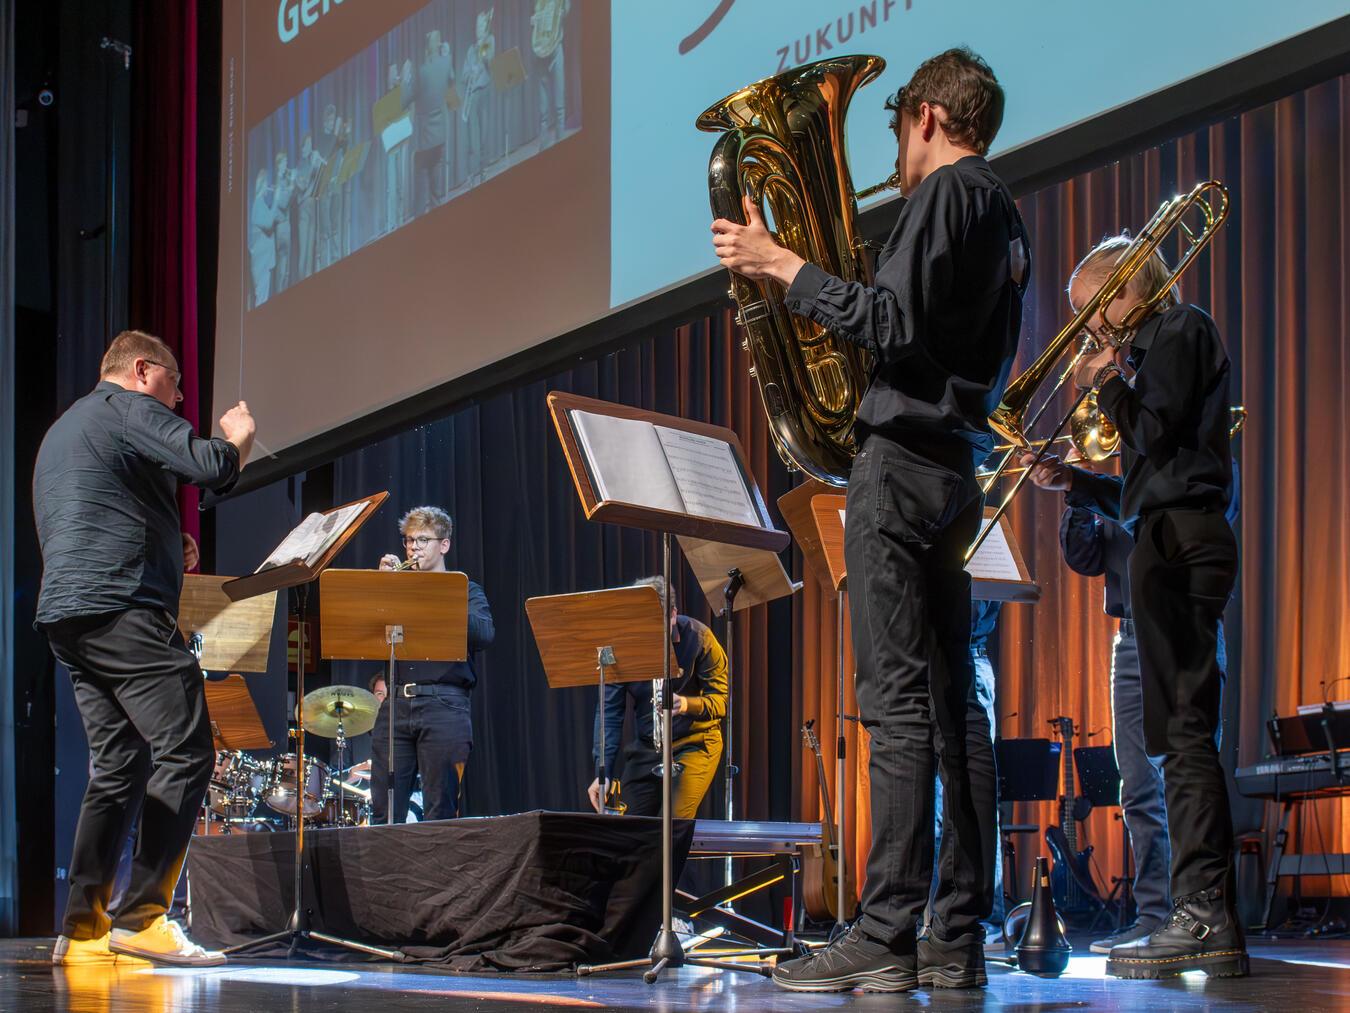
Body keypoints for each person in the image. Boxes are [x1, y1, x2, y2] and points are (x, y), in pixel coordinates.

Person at [714, 48, 1028, 991]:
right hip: (954, 472)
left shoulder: (947, 193)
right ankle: (956, 934)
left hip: (900, 469)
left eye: (894, 125)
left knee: (895, 706)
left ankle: (886, 930)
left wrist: (779, 264)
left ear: (926, 115)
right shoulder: (1003, 211)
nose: (893, 149)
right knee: (955, 706)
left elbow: (890, 324)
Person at [1023, 234, 1245, 979]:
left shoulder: (1180, 329)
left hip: (1182, 544)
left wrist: (1109, 377)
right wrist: (1076, 482)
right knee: (1171, 741)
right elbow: (1147, 483)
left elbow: (1151, 431)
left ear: (1125, 289)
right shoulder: (1152, 353)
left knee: (1184, 736)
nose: (1086, 329)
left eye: (1090, 310)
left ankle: (1205, 913)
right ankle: (1196, 912)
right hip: (1163, 537)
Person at [34, 330, 255, 966]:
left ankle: (83, 930)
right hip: (122, 607)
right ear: (140, 370)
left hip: (70, 615)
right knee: (188, 748)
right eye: (174, 382)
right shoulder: (129, 406)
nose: (179, 397)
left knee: (119, 765)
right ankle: (143, 917)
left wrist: (164, 542)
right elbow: (211, 467)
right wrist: (236, 439)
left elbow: (92, 511)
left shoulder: (66, 429)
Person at [372, 506, 493, 822]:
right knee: (384, 811)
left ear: (444, 544)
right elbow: (365, 629)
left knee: (440, 810)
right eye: (409, 540)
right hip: (396, 704)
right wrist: (382, 587)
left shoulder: (465, 589)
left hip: (445, 704)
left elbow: (484, 634)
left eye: (423, 540)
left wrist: (432, 593)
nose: (414, 548)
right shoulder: (397, 590)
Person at [586, 577, 726, 819]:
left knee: (672, 823)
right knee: (630, 828)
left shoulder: (699, 638)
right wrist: (603, 772)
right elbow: (609, 712)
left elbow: (721, 703)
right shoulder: (622, 646)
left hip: (694, 743)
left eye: (654, 624)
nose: (646, 633)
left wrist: (685, 704)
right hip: (648, 748)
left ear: (673, 615)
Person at [402, 31, 453, 214]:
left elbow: (404, 100)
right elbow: (451, 80)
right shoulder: (446, 62)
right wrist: (446, 55)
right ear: (439, 45)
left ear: (426, 49)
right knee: (435, 192)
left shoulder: (421, 72)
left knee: (419, 194)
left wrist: (405, 78)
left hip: (424, 142)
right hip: (440, 137)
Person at [460, 9, 495, 187]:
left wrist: (483, 47)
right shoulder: (470, 50)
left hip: (484, 91)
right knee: (471, 137)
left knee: (484, 134)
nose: (478, 29)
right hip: (472, 95)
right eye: (476, 26)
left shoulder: (490, 40)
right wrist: (470, 74)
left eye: (481, 25)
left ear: (486, 27)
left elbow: (489, 60)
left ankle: (483, 170)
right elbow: (463, 75)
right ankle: (471, 174)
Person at [531, 0, 569, 146]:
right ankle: (544, 144)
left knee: (559, 104)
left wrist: (561, 10)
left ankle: (561, 141)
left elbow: (565, 10)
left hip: (555, 50)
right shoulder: (539, 2)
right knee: (543, 108)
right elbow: (536, 18)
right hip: (541, 53)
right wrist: (534, 20)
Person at [294, 132, 323, 280]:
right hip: (304, 210)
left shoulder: (313, 160)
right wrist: (313, 165)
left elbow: (320, 179)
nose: (310, 147)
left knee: (311, 249)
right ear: (302, 147)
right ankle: (301, 281)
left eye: (311, 144)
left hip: (313, 207)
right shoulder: (300, 165)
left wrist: (320, 163)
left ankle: (309, 279)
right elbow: (303, 185)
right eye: (307, 145)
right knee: (304, 250)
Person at [247, 167, 276, 307]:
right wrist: (277, 198)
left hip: (265, 260)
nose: (269, 186)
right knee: (261, 299)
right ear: (262, 184)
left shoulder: (261, 204)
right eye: (267, 183)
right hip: (260, 262)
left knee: (263, 297)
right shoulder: (257, 205)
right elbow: (269, 223)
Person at [271, 151, 295, 293]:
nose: (287, 164)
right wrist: (291, 185)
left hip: (286, 225)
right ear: (279, 164)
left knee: (286, 268)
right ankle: (280, 293)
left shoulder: (283, 181)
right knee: (282, 265)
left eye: (286, 161)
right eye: (284, 161)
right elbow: (284, 203)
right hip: (282, 227)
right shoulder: (279, 183)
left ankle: (283, 292)